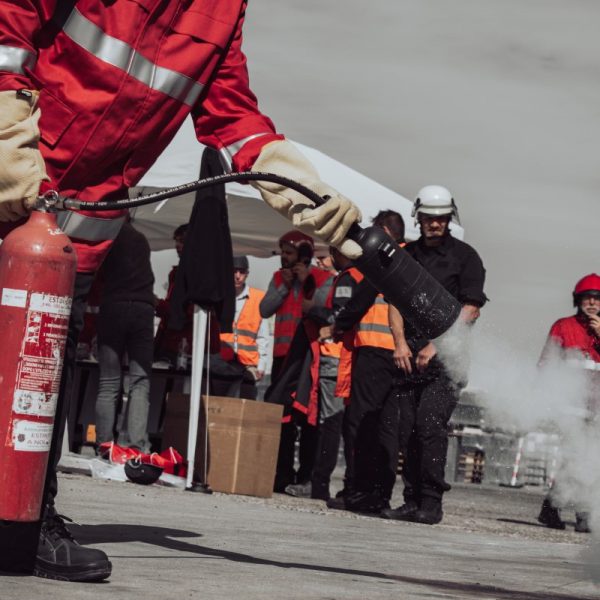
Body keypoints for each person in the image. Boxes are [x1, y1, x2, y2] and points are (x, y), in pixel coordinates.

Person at [0, 3, 361, 582]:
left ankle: (22, 525)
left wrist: (301, 187)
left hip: (74, 234)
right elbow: (8, 23)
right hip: (9, 177)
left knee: (40, 381)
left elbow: (232, 116)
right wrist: (5, 134)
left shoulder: (223, 9)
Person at [382, 185, 486, 525]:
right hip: (408, 355)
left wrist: (435, 345)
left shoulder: (466, 258)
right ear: (419, 218)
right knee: (407, 428)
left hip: (448, 359)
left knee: (429, 424)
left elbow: (470, 310)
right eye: (428, 219)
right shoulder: (406, 255)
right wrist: (399, 342)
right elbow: (394, 301)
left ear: (449, 218)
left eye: (440, 219)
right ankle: (411, 500)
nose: (434, 225)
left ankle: (431, 503)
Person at [326, 210, 406, 513]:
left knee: (362, 424)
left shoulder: (383, 259)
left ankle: (360, 491)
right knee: (388, 427)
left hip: (374, 350)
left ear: (384, 231)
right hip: (401, 354)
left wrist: (339, 325)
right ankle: (381, 494)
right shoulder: (411, 261)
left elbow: (360, 301)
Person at [260, 231, 334, 492]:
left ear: (304, 255)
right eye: (283, 252)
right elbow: (264, 309)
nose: (284, 257)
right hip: (283, 359)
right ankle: (281, 475)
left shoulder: (324, 278)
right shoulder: (279, 278)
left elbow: (326, 311)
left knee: (308, 417)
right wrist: (284, 287)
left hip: (309, 359)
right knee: (283, 418)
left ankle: (306, 476)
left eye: (289, 253)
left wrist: (306, 282)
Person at [536, 273, 600, 534]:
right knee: (581, 457)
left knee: (580, 459)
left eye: (597, 299)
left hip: (597, 409)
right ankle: (583, 515)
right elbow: (547, 364)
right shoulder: (563, 326)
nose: (593, 303)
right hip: (570, 408)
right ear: (578, 300)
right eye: (587, 298)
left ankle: (550, 507)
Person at [94, 220, 155, 454]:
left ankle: (104, 445)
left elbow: (95, 276)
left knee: (109, 381)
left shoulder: (105, 238)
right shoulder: (140, 238)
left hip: (113, 306)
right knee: (140, 381)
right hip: (142, 308)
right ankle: (137, 446)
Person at [211, 255, 270, 400]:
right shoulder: (217, 297)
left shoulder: (258, 298)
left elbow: (263, 336)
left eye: (241, 272)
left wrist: (261, 365)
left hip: (248, 365)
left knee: (246, 408)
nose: (237, 276)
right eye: (234, 271)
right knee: (217, 406)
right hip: (221, 364)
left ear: (247, 274)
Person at [154, 224, 193, 367]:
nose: (177, 245)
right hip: (169, 341)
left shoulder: (196, 275)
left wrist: (157, 303)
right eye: (176, 241)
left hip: (182, 346)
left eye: (182, 241)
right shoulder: (177, 273)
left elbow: (184, 314)